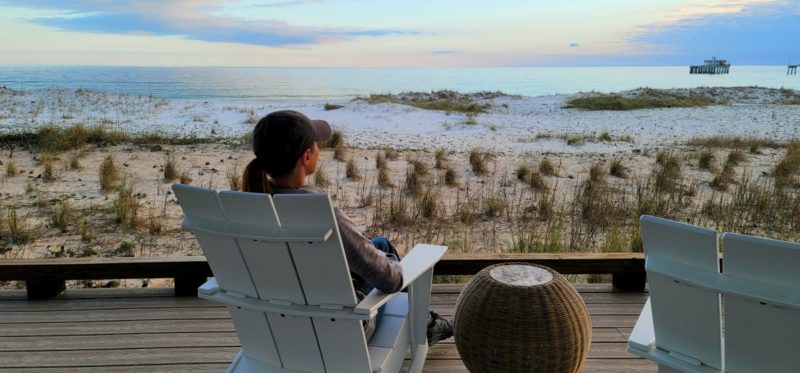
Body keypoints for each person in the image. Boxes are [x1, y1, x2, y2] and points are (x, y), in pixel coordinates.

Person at [241, 110, 453, 345]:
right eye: (316, 144)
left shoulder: (249, 207)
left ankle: (427, 322)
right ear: (307, 157)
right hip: (343, 328)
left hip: (278, 323)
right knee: (387, 260)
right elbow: (391, 281)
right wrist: (393, 263)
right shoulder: (319, 212)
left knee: (380, 243)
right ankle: (426, 323)